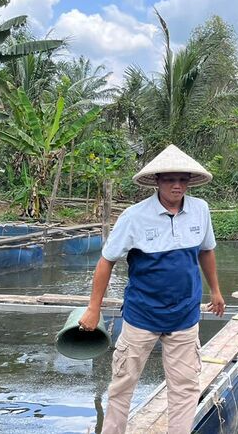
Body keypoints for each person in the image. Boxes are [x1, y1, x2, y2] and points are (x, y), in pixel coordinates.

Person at [78, 144, 225, 434]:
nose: (177, 185)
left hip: (184, 316)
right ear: (157, 181)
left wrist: (216, 291)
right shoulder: (134, 216)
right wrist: (93, 308)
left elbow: (206, 252)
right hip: (141, 316)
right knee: (123, 383)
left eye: (183, 179)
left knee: (185, 387)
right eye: (170, 179)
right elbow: (107, 261)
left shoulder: (200, 210)